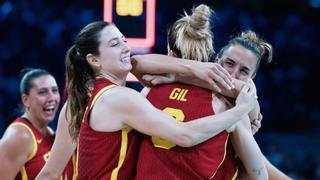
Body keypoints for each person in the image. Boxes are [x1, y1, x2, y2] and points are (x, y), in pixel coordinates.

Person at [65, 20, 256, 179]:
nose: (125, 48)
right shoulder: (119, 98)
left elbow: (139, 64)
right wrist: (240, 110)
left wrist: (182, 74)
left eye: (123, 40)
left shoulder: (133, 93)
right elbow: (185, 135)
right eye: (114, 44)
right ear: (94, 60)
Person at [132, 24, 291, 180]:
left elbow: (135, 63)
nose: (233, 74)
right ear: (216, 61)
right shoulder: (233, 107)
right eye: (229, 63)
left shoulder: (150, 89)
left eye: (243, 71)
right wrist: (244, 110)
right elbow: (260, 175)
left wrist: (179, 75)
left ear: (252, 79)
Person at [0, 68, 62, 179]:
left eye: (54, 90)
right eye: (42, 92)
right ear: (26, 100)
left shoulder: (49, 132)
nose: (52, 98)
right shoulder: (19, 136)